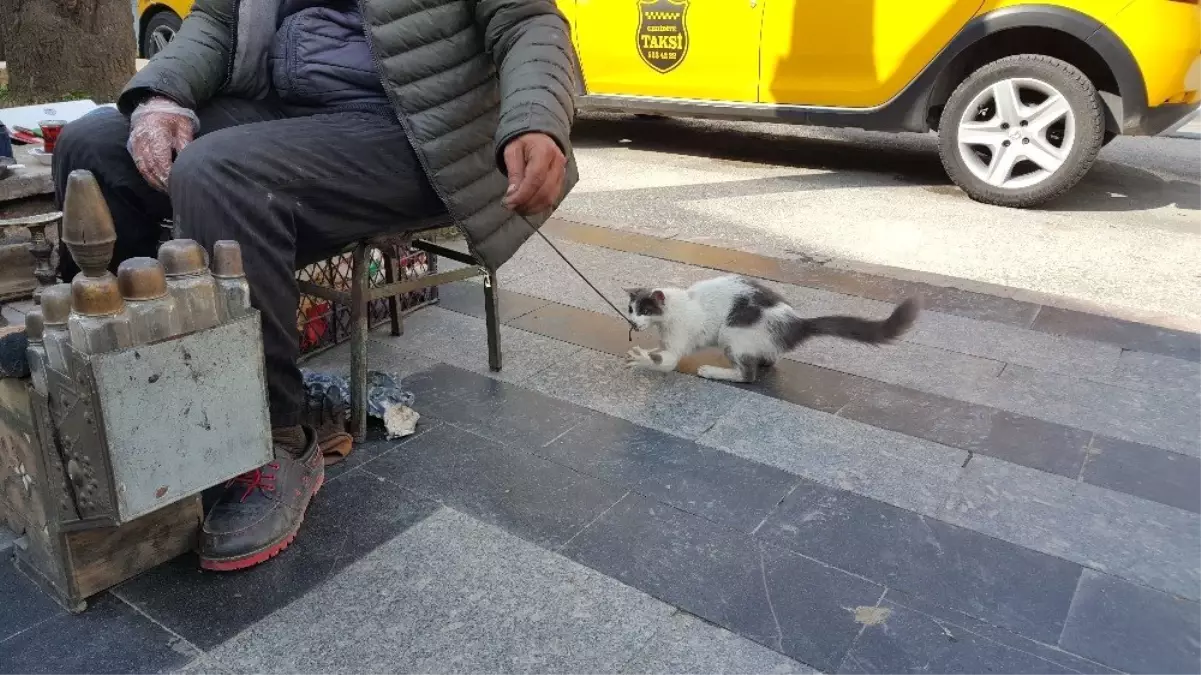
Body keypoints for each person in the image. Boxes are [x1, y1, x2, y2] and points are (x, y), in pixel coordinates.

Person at [52, 0, 578, 572]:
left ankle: (272, 437)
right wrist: (162, 98)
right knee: (93, 147)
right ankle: (136, 387)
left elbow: (528, 20)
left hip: (413, 125)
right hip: (286, 108)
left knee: (218, 173)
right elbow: (220, 22)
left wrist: (535, 117)